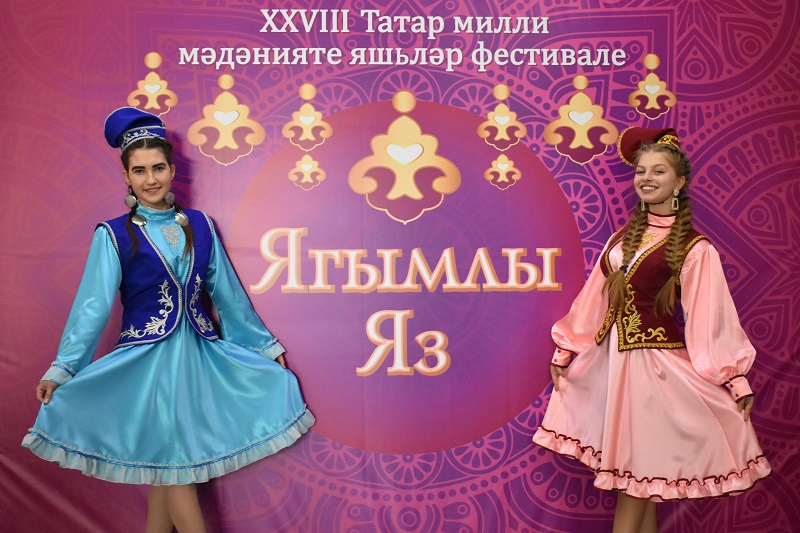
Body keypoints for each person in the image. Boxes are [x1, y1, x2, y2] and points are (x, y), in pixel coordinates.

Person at [22, 107, 315, 533]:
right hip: (148, 364)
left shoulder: (201, 225)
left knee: (168, 468)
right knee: (176, 468)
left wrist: (261, 347)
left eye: (158, 167)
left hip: (197, 357)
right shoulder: (113, 234)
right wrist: (63, 367)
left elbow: (227, 293)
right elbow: (92, 307)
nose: (151, 179)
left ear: (172, 169)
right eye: (139, 170)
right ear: (126, 176)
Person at [532, 127, 771, 533]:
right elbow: (594, 300)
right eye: (641, 171)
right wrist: (567, 347)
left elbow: (710, 319)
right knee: (642, 480)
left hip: (653, 375)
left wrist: (733, 377)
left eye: (658, 171)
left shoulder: (695, 248)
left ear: (679, 182)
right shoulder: (620, 240)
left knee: (638, 476)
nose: (646, 178)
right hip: (611, 369)